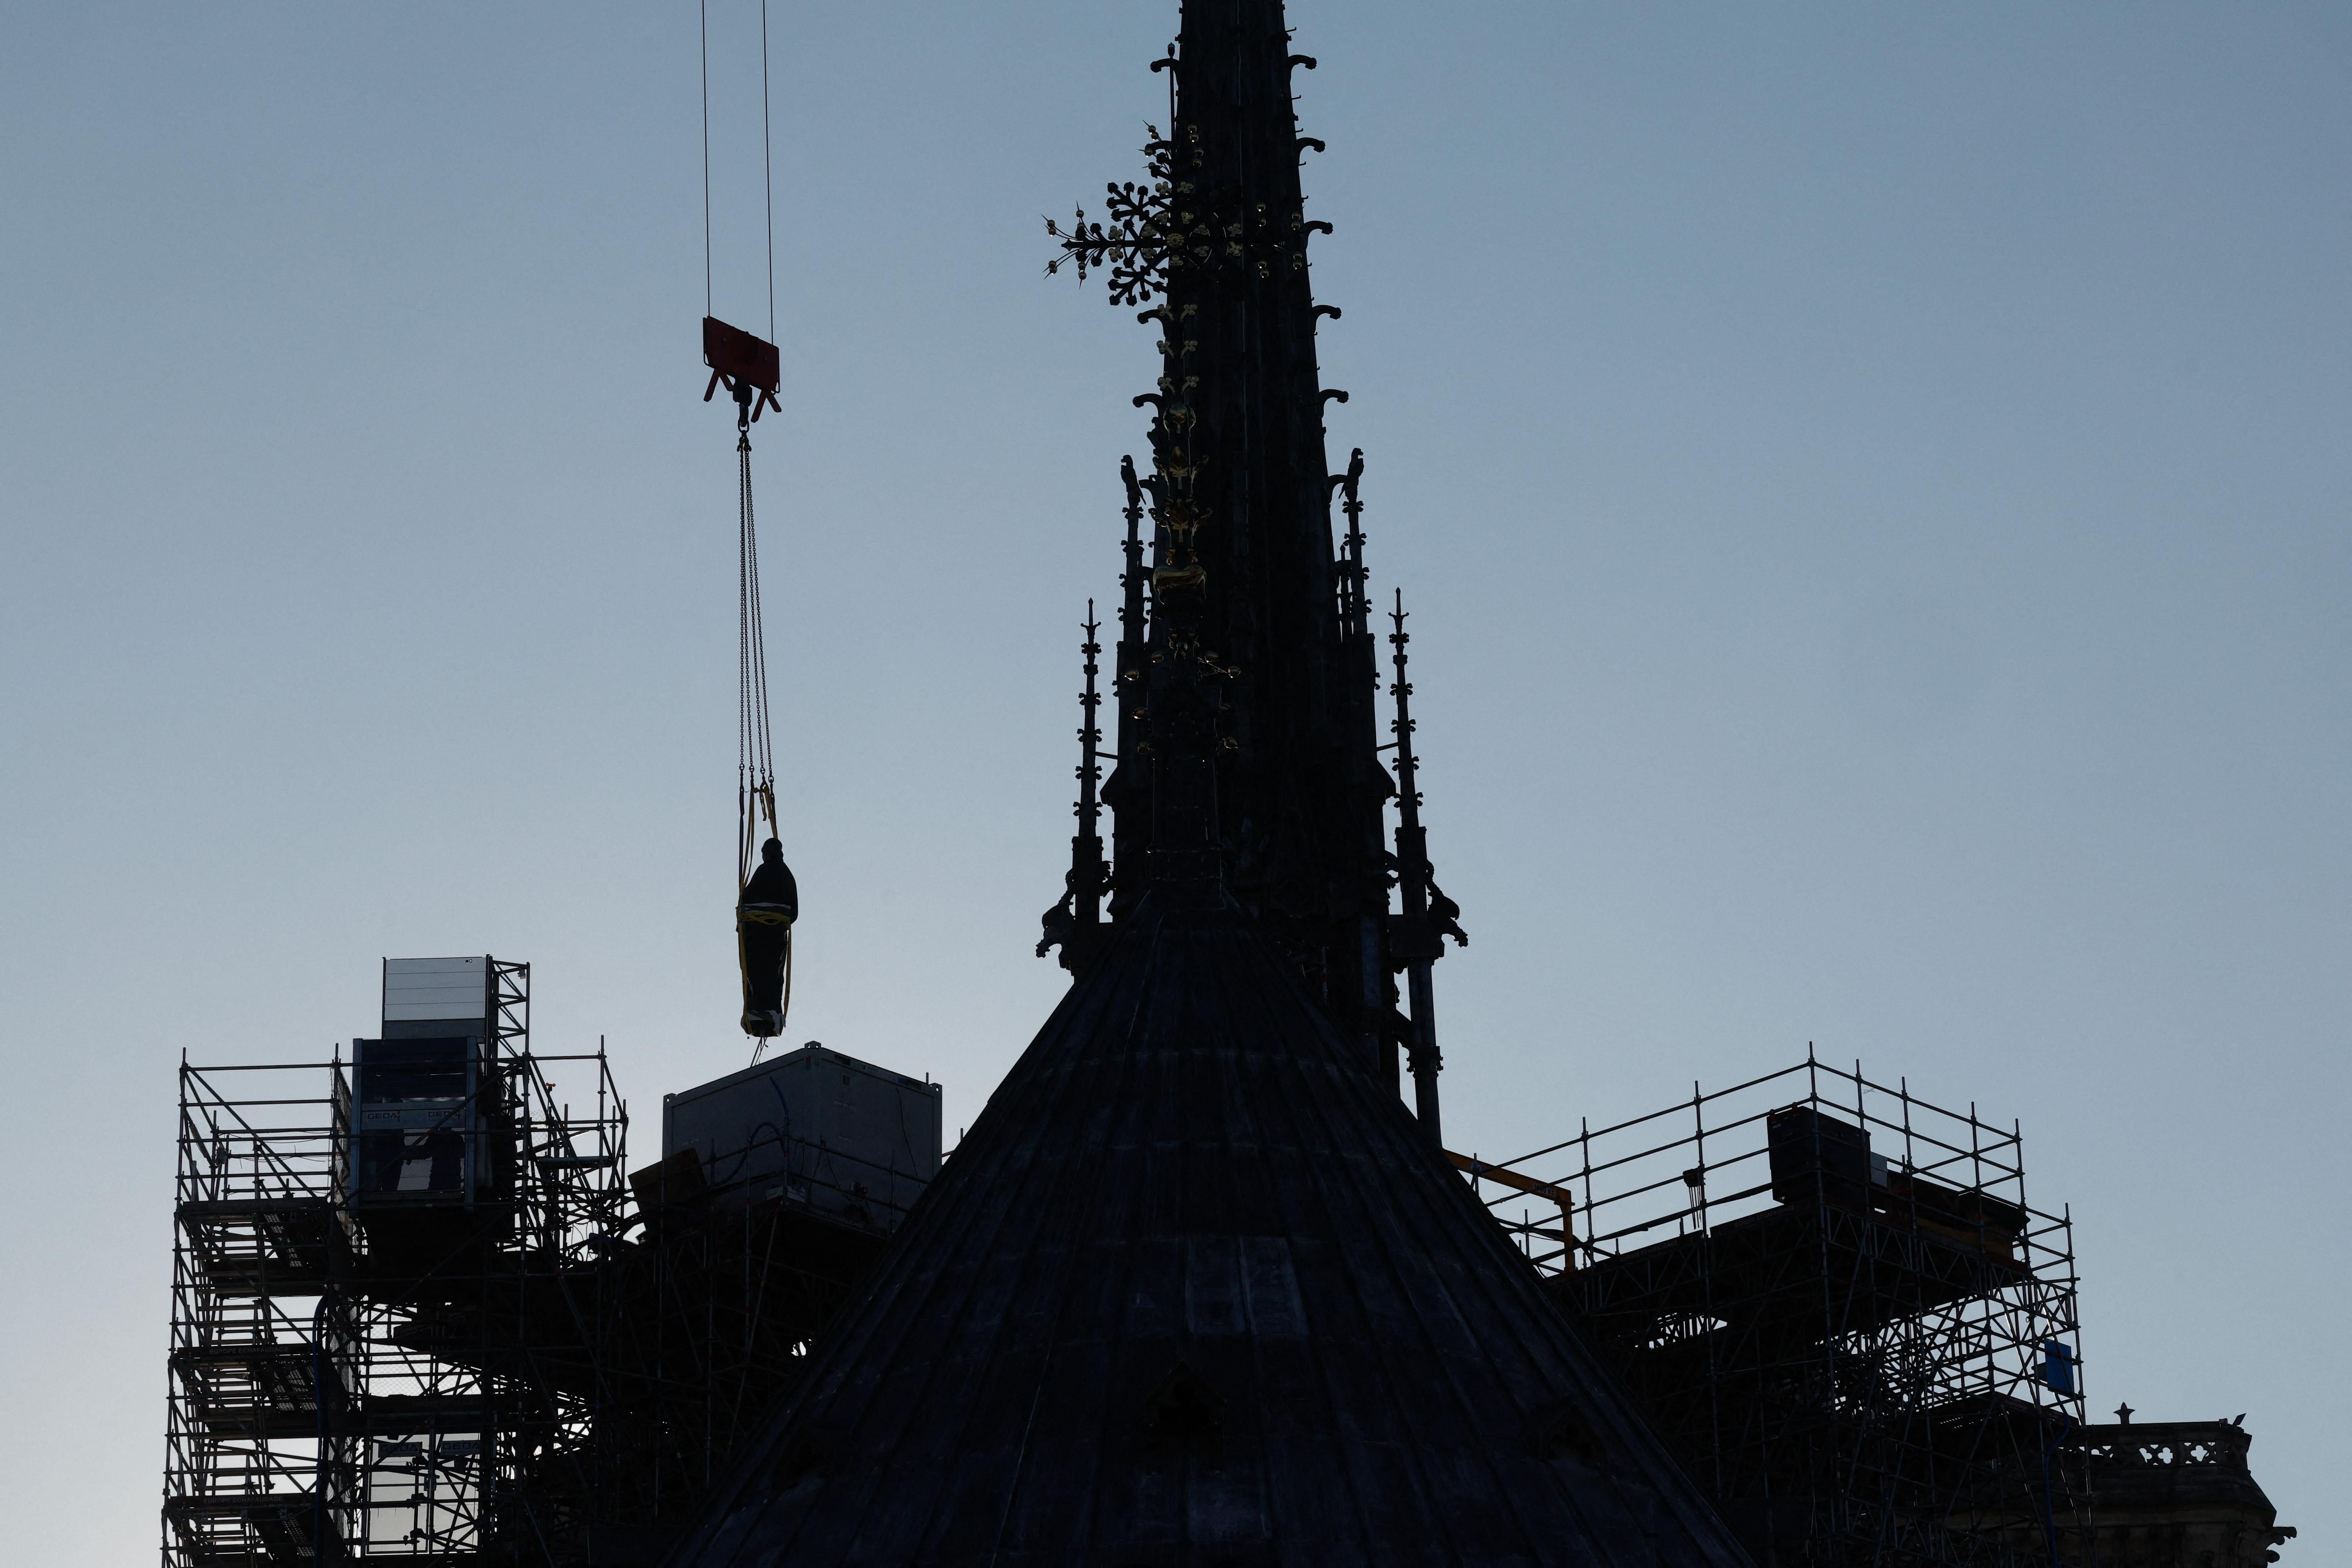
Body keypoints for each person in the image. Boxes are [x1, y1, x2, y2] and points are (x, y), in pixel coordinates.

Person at [737, 838, 798, 1037]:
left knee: (757, 972)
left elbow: (747, 899)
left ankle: (761, 1010)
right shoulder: (788, 875)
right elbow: (794, 912)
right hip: (777, 935)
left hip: (759, 933)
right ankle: (772, 1011)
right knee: (774, 975)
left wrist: (749, 917)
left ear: (767, 854)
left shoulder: (764, 872)